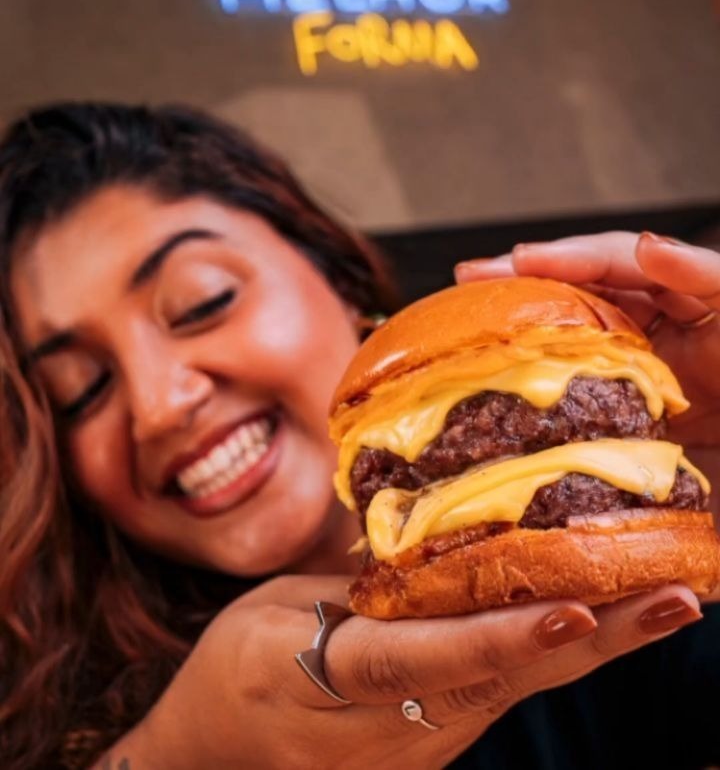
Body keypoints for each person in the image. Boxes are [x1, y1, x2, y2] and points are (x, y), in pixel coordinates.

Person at [0, 102, 717, 770]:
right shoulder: (51, 699)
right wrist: (182, 749)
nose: (159, 407)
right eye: (81, 390)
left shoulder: (648, 610)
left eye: (202, 303)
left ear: (339, 278)